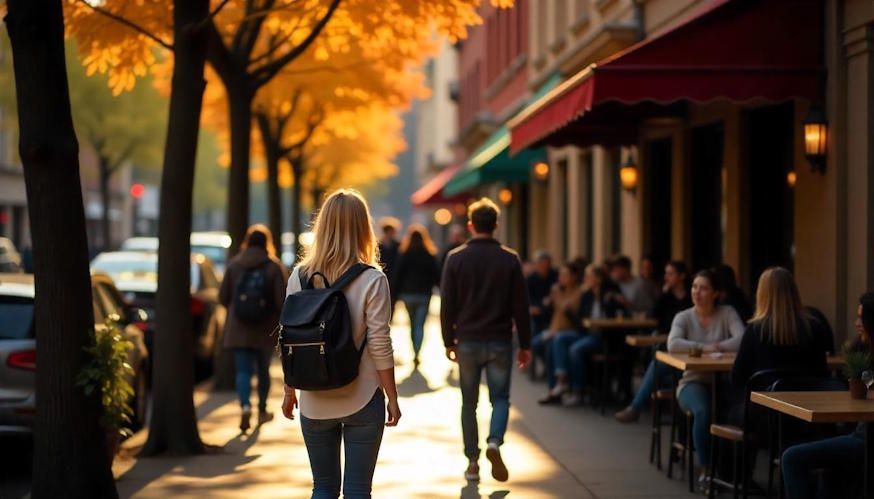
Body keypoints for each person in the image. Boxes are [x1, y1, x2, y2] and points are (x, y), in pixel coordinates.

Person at [281, 189, 401, 499]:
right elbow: (379, 343)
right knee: (358, 491)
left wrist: (289, 391)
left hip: (314, 398)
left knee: (322, 487)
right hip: (362, 395)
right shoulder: (372, 279)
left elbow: (289, 338)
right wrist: (392, 396)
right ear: (363, 227)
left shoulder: (299, 276)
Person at [440, 197, 532, 483]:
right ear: (496, 225)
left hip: (467, 339)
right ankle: (494, 441)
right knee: (501, 397)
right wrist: (526, 344)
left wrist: (448, 341)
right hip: (500, 340)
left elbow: (447, 305)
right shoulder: (510, 259)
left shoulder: (455, 258)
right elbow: (521, 306)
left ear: (470, 225)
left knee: (469, 403)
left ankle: (472, 462)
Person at [781, 292, 874, 499]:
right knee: (828, 469)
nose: (857, 323)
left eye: (862, 318)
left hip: (865, 439)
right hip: (859, 433)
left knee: (792, 458)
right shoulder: (862, 351)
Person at [666, 269, 745, 490]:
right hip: (692, 382)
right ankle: (706, 471)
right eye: (694, 287)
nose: (697, 292)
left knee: (740, 410)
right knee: (703, 411)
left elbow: (742, 338)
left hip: (723, 383)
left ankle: (733, 472)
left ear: (716, 293)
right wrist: (706, 348)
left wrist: (718, 346)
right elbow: (673, 344)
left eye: (703, 288)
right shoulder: (683, 317)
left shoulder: (727, 312)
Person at [219, 224, 288, 432]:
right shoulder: (273, 266)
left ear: (247, 242)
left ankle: (245, 405)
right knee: (263, 370)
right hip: (264, 328)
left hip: (238, 328)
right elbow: (281, 300)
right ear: (267, 243)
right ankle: (262, 409)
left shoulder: (234, 264)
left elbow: (223, 297)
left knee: (243, 370)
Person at [615, 260, 692, 423]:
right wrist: (664, 294)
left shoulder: (693, 298)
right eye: (666, 274)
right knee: (654, 361)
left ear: (682, 276)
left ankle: (642, 405)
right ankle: (637, 406)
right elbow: (654, 316)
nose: (667, 277)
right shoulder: (667, 297)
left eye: (670, 274)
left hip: (691, 351)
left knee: (654, 362)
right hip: (671, 347)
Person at [561, 264, 626, 406]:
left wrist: (610, 301)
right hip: (588, 333)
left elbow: (619, 314)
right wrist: (569, 312)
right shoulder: (587, 295)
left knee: (575, 350)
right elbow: (581, 322)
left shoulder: (610, 293)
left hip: (605, 337)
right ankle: (562, 383)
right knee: (560, 339)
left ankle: (579, 391)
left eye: (589, 276)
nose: (585, 279)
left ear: (599, 279)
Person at [534, 261, 584, 405]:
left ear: (574, 276)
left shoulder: (579, 292)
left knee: (552, 345)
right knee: (537, 343)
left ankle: (559, 384)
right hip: (554, 330)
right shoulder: (558, 291)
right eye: (560, 274)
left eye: (565, 274)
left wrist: (557, 299)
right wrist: (549, 302)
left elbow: (571, 315)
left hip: (569, 332)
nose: (561, 277)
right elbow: (548, 313)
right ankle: (556, 387)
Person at [390, 223, 440, 366]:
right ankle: (417, 351)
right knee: (420, 325)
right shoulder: (429, 255)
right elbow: (436, 276)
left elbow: (397, 275)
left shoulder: (404, 254)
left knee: (412, 324)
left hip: (407, 295)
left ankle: (414, 349)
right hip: (424, 295)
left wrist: (395, 294)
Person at [527, 250, 559, 342]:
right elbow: (527, 297)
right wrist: (532, 307)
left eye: (546, 266)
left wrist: (551, 298)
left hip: (552, 311)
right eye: (540, 265)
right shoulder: (530, 279)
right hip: (536, 312)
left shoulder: (555, 276)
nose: (543, 268)